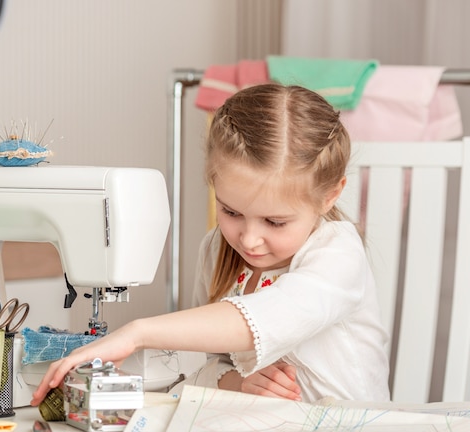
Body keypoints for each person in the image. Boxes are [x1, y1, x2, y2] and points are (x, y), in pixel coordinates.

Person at [31, 84, 390, 406]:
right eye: (231, 211)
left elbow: (269, 316)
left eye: (275, 222)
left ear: (330, 195)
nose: (248, 239)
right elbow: (207, 361)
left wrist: (137, 333)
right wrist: (239, 382)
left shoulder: (337, 253)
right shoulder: (217, 250)